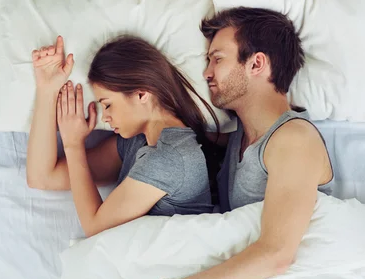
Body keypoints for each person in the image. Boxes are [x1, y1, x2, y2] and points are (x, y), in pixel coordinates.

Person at [131, 7, 334, 279]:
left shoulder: (294, 139)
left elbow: (277, 255)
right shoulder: (242, 135)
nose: (206, 73)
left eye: (217, 59)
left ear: (257, 63)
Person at [26, 35, 220, 237]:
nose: (105, 117)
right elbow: (42, 177)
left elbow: (95, 227)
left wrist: (74, 145)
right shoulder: (136, 143)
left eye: (108, 104)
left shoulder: (170, 157)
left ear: (141, 94)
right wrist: (47, 90)